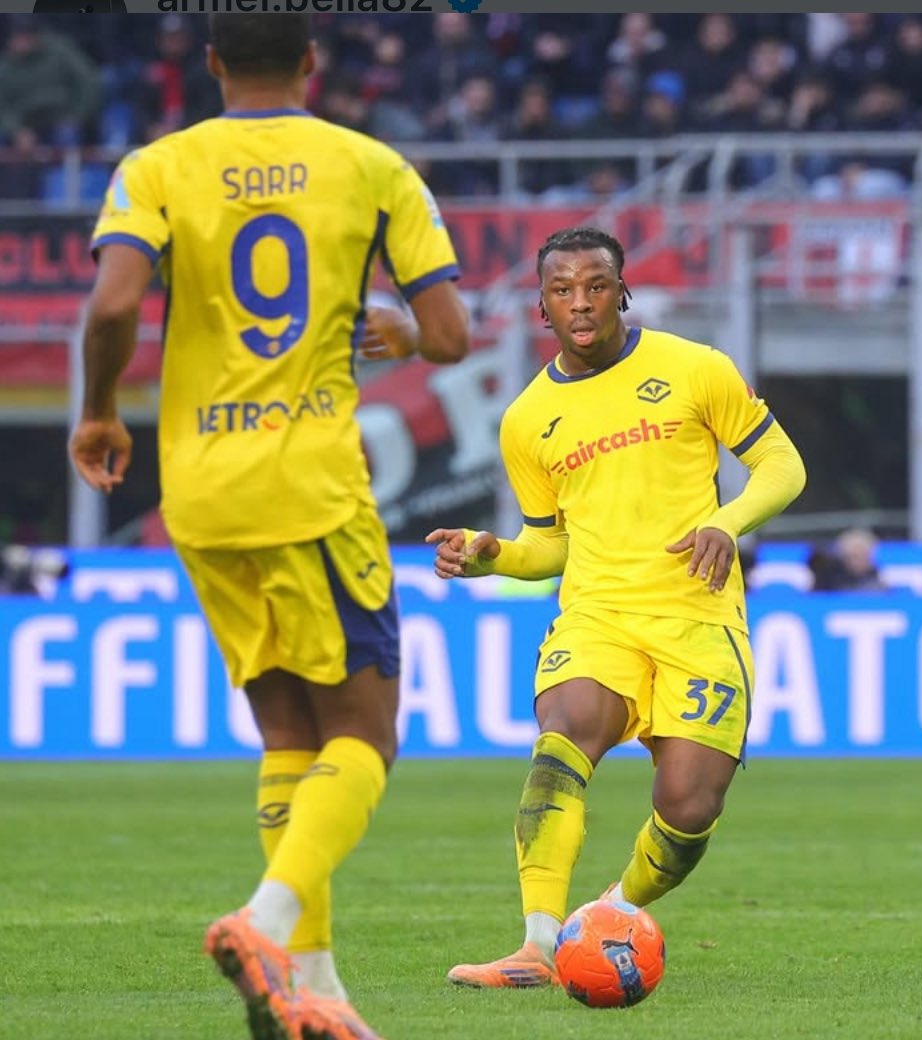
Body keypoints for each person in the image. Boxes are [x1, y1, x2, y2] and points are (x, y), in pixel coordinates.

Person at [68, 14, 469, 1040]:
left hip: (200, 491)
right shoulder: (372, 166)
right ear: (310, 63)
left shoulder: (157, 166)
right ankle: (267, 922)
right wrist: (397, 331)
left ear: (209, 64)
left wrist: (100, 409)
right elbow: (449, 335)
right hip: (310, 488)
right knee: (366, 735)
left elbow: (111, 306)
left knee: (290, 734)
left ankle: (316, 993)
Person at [426, 226, 805, 988]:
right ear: (540, 306)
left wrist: (724, 522)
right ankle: (536, 946)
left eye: (596, 285)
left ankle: (608, 912)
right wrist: (492, 554)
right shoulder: (527, 419)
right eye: (561, 289)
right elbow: (548, 544)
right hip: (598, 614)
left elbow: (781, 463)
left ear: (621, 292)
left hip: (697, 617)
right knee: (563, 733)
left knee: (688, 807)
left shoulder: (694, 367)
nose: (580, 302)